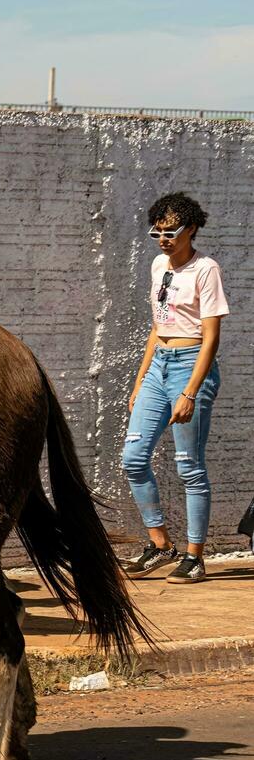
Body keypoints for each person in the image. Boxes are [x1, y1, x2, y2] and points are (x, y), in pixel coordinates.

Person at [122, 192, 228, 584]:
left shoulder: (206, 270)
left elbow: (211, 338)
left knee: (189, 467)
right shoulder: (157, 266)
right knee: (133, 458)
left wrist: (190, 392)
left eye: (171, 232)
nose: (164, 239)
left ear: (192, 229)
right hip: (158, 366)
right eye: (157, 232)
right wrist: (140, 380)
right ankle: (160, 545)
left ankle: (194, 556)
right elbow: (157, 326)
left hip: (190, 366)